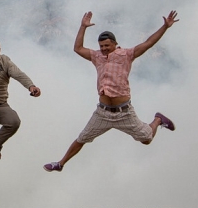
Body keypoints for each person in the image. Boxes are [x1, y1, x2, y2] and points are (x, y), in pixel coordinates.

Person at [43, 10, 178, 172]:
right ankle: (60, 163)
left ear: (115, 44)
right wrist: (83, 27)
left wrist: (165, 27)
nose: (104, 49)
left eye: (107, 45)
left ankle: (157, 120)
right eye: (101, 46)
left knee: (147, 139)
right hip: (103, 113)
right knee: (82, 138)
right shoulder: (96, 56)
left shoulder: (127, 55)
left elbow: (148, 43)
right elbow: (78, 48)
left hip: (124, 112)